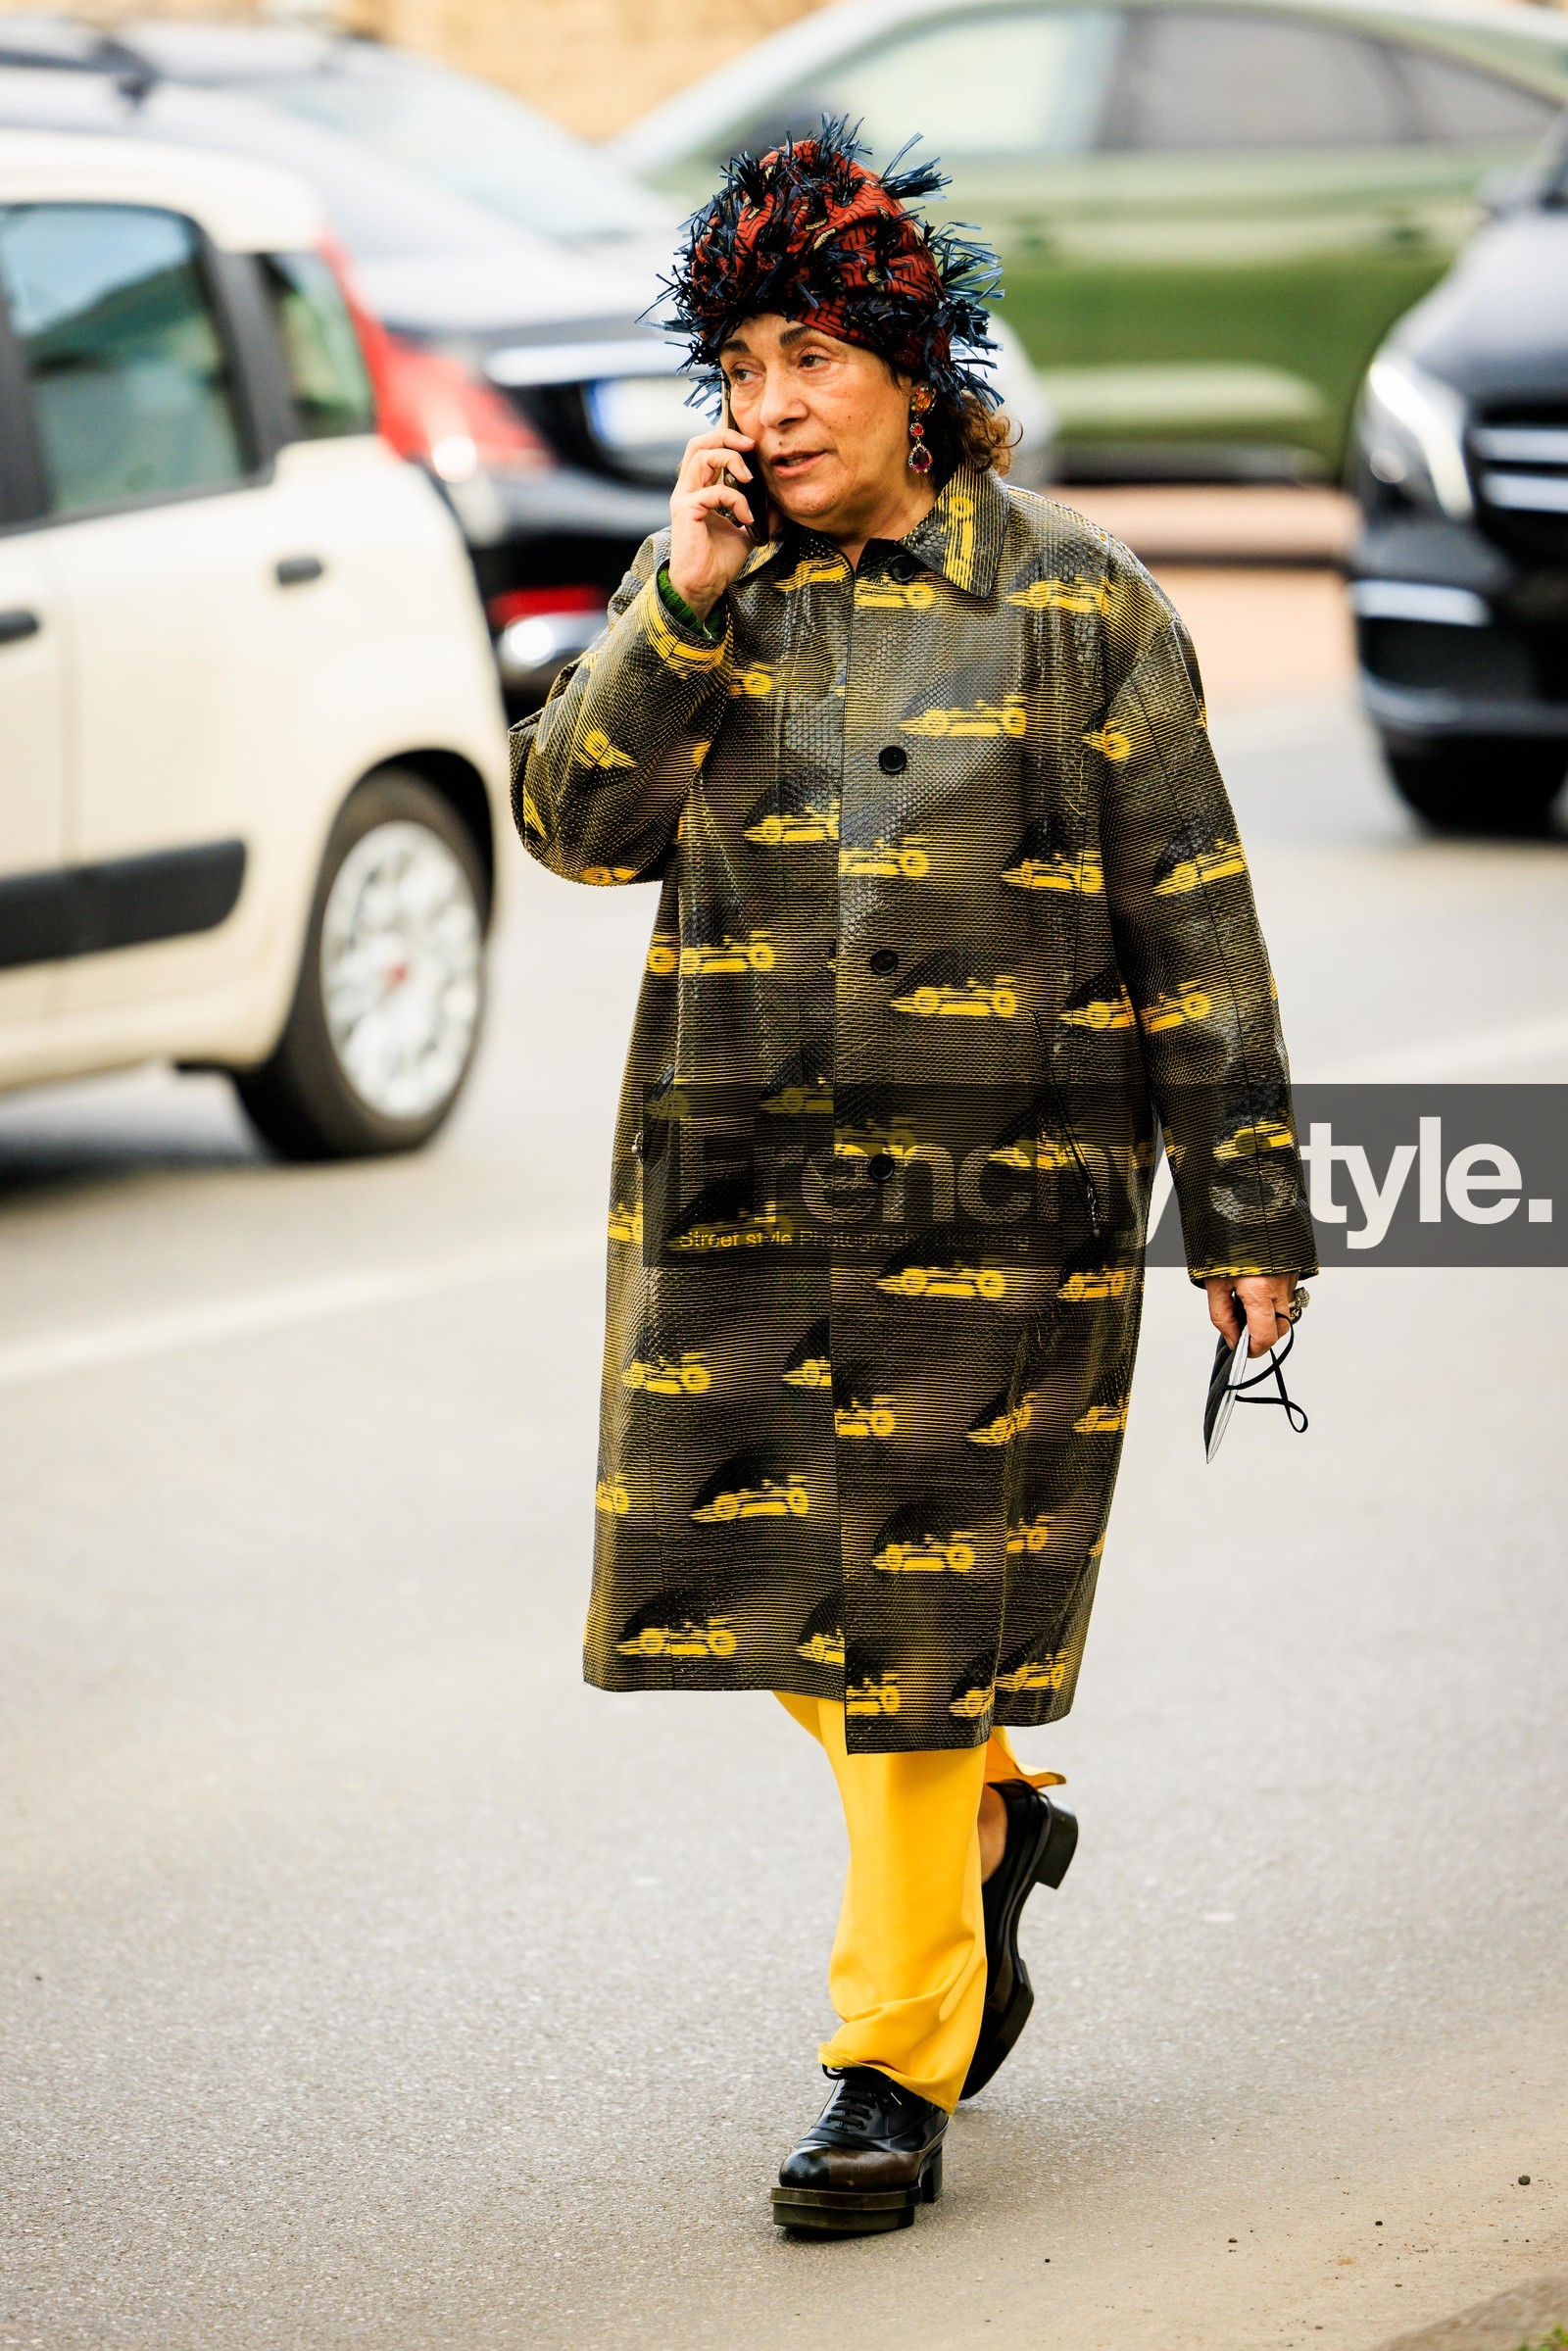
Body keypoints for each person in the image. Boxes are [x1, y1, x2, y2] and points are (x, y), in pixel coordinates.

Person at [509, 122, 1317, 2237]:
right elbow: (573, 825)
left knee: (913, 1629)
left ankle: (889, 2062)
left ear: (913, 374)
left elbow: (1191, 923)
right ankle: (993, 1821)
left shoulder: (1078, 610)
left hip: (998, 1225)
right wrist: (677, 603)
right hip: (742, 1207)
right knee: (744, 1586)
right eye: (740, 367)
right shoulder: (708, 592)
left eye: (812, 360)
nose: (770, 409)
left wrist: (1244, 1211)